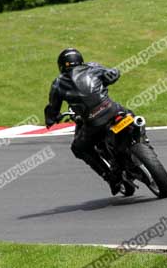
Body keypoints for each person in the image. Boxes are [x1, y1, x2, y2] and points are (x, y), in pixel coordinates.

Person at [44, 48, 130, 195]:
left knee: (78, 147)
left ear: (61, 66)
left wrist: (52, 119)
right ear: (80, 60)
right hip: (112, 110)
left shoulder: (58, 83)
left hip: (94, 123)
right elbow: (113, 74)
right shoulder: (93, 67)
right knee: (130, 116)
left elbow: (53, 108)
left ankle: (110, 177)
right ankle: (143, 140)